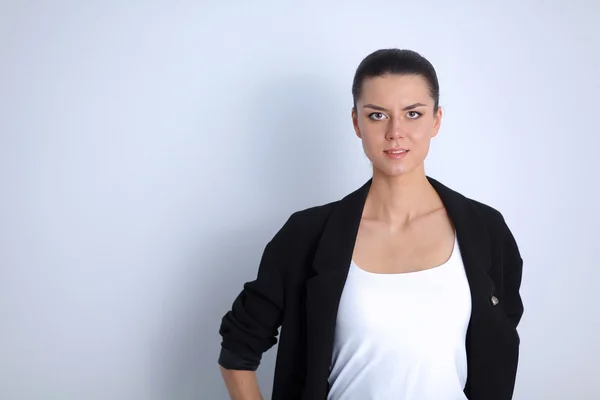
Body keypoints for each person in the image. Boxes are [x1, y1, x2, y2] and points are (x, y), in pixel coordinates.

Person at [217, 49, 524, 400]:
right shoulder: (307, 235)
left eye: (413, 114)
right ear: (356, 122)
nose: (395, 132)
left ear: (436, 121)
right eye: (377, 115)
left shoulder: (485, 230)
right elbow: (238, 352)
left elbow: (498, 343)